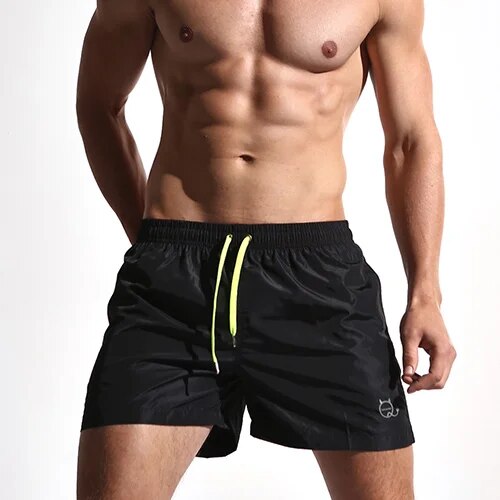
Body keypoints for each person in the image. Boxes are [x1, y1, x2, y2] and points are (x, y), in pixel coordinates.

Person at [75, 0, 457, 499]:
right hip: (172, 284)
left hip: (318, 277)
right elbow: (99, 104)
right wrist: (148, 236)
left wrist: (425, 292)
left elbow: (410, 140)